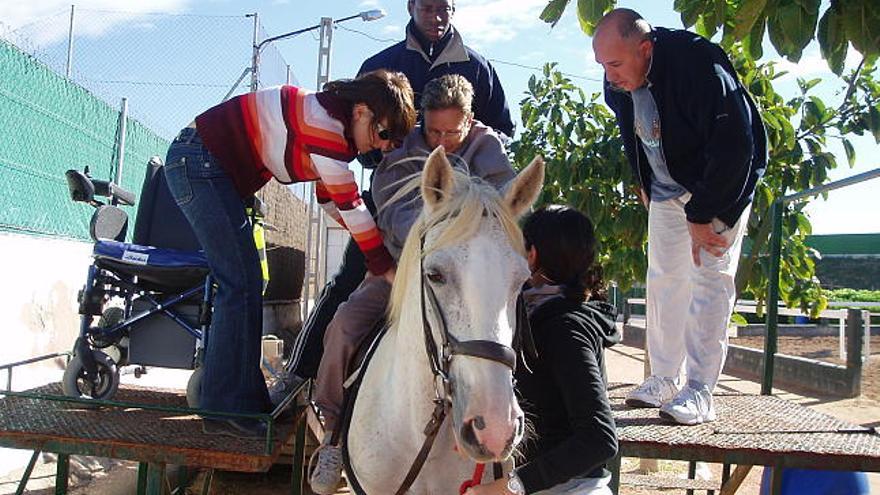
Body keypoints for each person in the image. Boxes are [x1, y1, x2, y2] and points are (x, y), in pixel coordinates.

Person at [163, 69, 416, 439]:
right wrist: (385, 267)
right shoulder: (325, 124)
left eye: (391, 142)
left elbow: (330, 200)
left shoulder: (331, 127)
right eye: (384, 133)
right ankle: (222, 406)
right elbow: (350, 204)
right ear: (361, 112)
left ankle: (244, 400)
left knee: (248, 281)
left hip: (205, 167)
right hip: (198, 164)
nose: (382, 146)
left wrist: (375, 245)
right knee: (239, 283)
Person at [280, 0, 516, 392]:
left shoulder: (479, 68)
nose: (437, 16)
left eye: (445, 8)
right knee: (349, 279)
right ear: (411, 6)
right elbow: (354, 131)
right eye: (428, 7)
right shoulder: (384, 63)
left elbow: (504, 128)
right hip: (393, 198)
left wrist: (471, 168)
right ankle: (299, 375)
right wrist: (382, 151)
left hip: (464, 214)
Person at [308, 74, 516, 495]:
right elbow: (389, 209)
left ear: (471, 120)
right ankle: (331, 431)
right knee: (346, 324)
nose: (441, 139)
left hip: (471, 276)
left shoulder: (490, 148)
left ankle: (525, 427)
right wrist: (438, 233)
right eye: (433, 130)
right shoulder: (402, 146)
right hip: (402, 267)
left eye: (451, 132)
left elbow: (504, 207)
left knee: (519, 328)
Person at [593, 9, 766, 425]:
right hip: (667, 188)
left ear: (646, 49)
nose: (609, 76)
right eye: (601, 66)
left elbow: (736, 144)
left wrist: (705, 212)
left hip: (719, 185)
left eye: (615, 64)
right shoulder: (618, 75)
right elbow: (628, 124)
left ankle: (700, 390)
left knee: (709, 279)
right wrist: (642, 178)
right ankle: (664, 378)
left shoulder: (699, 64)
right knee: (664, 278)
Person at [466, 205, 619, 495]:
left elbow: (600, 438)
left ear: (532, 255)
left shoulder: (565, 327)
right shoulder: (536, 314)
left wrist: (510, 487)